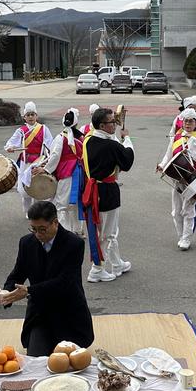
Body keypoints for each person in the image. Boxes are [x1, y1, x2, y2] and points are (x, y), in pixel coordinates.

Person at [0, 200, 95, 356]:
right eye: (33, 229)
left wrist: (29, 290)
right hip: (40, 313)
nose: (38, 235)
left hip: (68, 311)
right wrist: (7, 292)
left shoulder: (74, 244)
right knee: (37, 360)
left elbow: (65, 282)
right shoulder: (26, 243)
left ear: (55, 222)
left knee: (68, 363)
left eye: (42, 229)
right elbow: (18, 272)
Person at [81, 106, 135, 282]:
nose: (116, 124)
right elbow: (127, 161)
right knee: (107, 233)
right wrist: (126, 138)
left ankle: (117, 263)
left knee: (105, 230)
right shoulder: (111, 145)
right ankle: (97, 269)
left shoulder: (88, 139)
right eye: (113, 122)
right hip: (106, 192)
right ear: (102, 126)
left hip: (93, 189)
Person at [156, 108, 196, 250]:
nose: (187, 124)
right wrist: (162, 165)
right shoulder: (176, 137)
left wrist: (191, 141)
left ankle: (187, 238)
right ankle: (181, 235)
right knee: (176, 210)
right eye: (186, 121)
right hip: (176, 178)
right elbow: (169, 154)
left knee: (188, 209)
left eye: (191, 121)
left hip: (193, 178)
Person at [4, 101, 54, 217]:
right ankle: (28, 211)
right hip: (25, 162)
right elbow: (10, 144)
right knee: (24, 189)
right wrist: (11, 148)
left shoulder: (44, 129)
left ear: (36, 116)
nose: (31, 117)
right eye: (28, 115)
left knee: (37, 187)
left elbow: (51, 145)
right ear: (24, 117)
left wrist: (48, 158)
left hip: (38, 162)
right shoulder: (21, 130)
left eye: (33, 114)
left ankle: (36, 212)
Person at [42, 108, 85, 234]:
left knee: (62, 205)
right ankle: (77, 230)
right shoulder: (81, 137)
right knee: (76, 203)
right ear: (76, 123)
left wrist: (46, 169)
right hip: (79, 172)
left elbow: (54, 156)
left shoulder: (61, 137)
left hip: (67, 173)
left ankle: (64, 232)